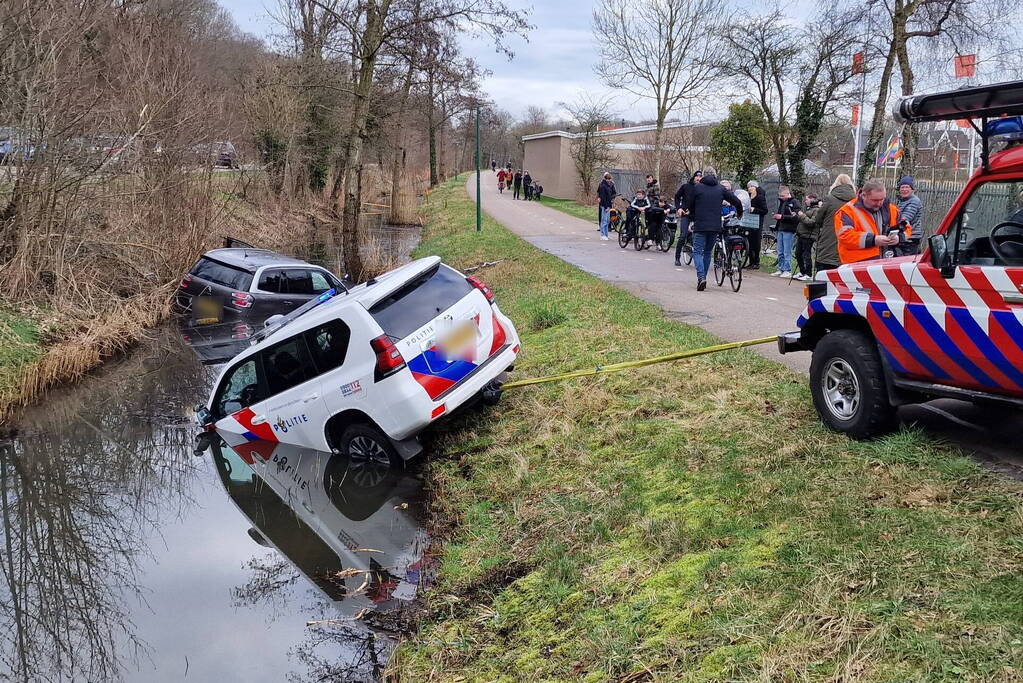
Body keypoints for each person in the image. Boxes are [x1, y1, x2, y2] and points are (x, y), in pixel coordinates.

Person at [686, 167, 743, 291]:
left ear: (703, 176)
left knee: (697, 251)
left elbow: (690, 205)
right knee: (707, 252)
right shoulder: (720, 189)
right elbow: (737, 201)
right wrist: (739, 213)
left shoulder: (697, 188)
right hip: (715, 225)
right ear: (715, 175)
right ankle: (703, 277)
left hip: (700, 225)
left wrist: (693, 217)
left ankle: (701, 277)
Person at [834, 179, 907, 265]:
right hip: (857, 266)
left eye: (882, 199)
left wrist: (899, 238)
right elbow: (845, 236)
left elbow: (907, 228)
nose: (879, 203)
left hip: (887, 263)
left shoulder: (892, 209)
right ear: (864, 195)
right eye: (875, 200)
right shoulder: (846, 211)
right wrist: (873, 240)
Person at [811, 174, 856, 272]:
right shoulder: (855, 201)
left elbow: (818, 219)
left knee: (824, 277)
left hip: (828, 241)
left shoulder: (830, 199)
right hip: (848, 243)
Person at [673, 170, 702, 266]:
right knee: (683, 235)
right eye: (697, 176)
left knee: (698, 236)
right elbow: (677, 197)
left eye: (700, 177)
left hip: (696, 215)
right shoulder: (686, 186)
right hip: (685, 214)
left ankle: (691, 247)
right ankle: (677, 257)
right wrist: (679, 208)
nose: (698, 178)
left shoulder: (702, 188)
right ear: (693, 177)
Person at [771, 186, 801, 277]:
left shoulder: (794, 202)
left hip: (789, 230)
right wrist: (777, 217)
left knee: (787, 251)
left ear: (788, 194)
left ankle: (787, 270)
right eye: (780, 195)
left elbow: (796, 217)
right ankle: (780, 268)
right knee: (780, 250)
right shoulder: (782, 202)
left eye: (783, 195)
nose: (781, 197)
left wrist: (782, 217)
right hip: (781, 228)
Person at [795, 193, 821, 281]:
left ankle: (808, 273)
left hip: (809, 235)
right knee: (798, 253)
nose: (805, 201)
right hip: (801, 234)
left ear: (812, 199)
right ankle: (802, 271)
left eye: (807, 199)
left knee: (806, 255)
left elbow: (812, 222)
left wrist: (802, 215)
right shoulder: (808, 209)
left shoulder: (816, 210)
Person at [896, 176, 924, 254]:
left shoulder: (914, 201)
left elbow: (904, 219)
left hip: (911, 239)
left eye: (907, 187)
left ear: (912, 189)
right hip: (904, 237)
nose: (904, 190)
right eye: (902, 187)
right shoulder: (902, 201)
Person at [747, 180, 768, 270]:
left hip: (757, 222)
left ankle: (756, 262)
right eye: (748, 187)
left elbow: (765, 210)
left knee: (756, 242)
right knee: (749, 241)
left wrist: (754, 209)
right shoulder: (748, 197)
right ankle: (750, 261)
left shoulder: (760, 197)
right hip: (748, 221)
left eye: (751, 187)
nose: (749, 189)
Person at [598, 172, 616, 241]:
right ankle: (602, 235)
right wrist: (606, 207)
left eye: (610, 179)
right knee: (604, 220)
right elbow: (603, 197)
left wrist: (610, 205)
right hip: (604, 205)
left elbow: (611, 195)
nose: (609, 180)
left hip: (608, 205)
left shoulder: (609, 185)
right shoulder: (603, 186)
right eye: (608, 179)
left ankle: (606, 234)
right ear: (605, 179)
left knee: (607, 221)